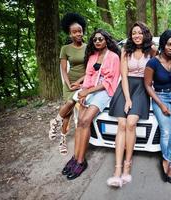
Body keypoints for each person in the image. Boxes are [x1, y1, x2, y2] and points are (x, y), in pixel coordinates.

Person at [62, 29, 121, 180]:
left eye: (100, 39)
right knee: (79, 122)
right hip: (88, 90)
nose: (97, 42)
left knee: (86, 120)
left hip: (104, 92)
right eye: (95, 40)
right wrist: (83, 92)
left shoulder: (114, 57)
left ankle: (81, 162)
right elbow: (88, 76)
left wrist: (87, 92)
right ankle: (75, 157)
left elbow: (109, 82)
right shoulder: (93, 56)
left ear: (106, 40)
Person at [107, 22, 157, 187]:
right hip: (126, 88)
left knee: (131, 123)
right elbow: (124, 76)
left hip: (142, 89)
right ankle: (117, 169)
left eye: (140, 32)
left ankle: (127, 165)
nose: (136, 35)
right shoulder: (125, 51)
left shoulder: (152, 51)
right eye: (134, 33)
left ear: (145, 34)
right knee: (121, 123)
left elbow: (157, 71)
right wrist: (127, 99)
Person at [144, 30, 171, 184]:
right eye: (168, 44)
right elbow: (148, 86)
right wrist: (161, 105)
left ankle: (166, 160)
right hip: (160, 96)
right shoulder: (153, 62)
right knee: (166, 132)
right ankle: (168, 164)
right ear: (163, 44)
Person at [48, 13, 87, 155]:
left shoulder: (88, 47)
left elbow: (90, 70)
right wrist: (69, 84)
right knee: (68, 113)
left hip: (83, 82)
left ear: (83, 31)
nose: (78, 34)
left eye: (80, 31)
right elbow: (64, 70)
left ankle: (54, 121)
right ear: (70, 34)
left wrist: (80, 83)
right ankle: (62, 140)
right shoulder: (65, 48)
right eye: (74, 32)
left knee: (77, 108)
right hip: (69, 83)